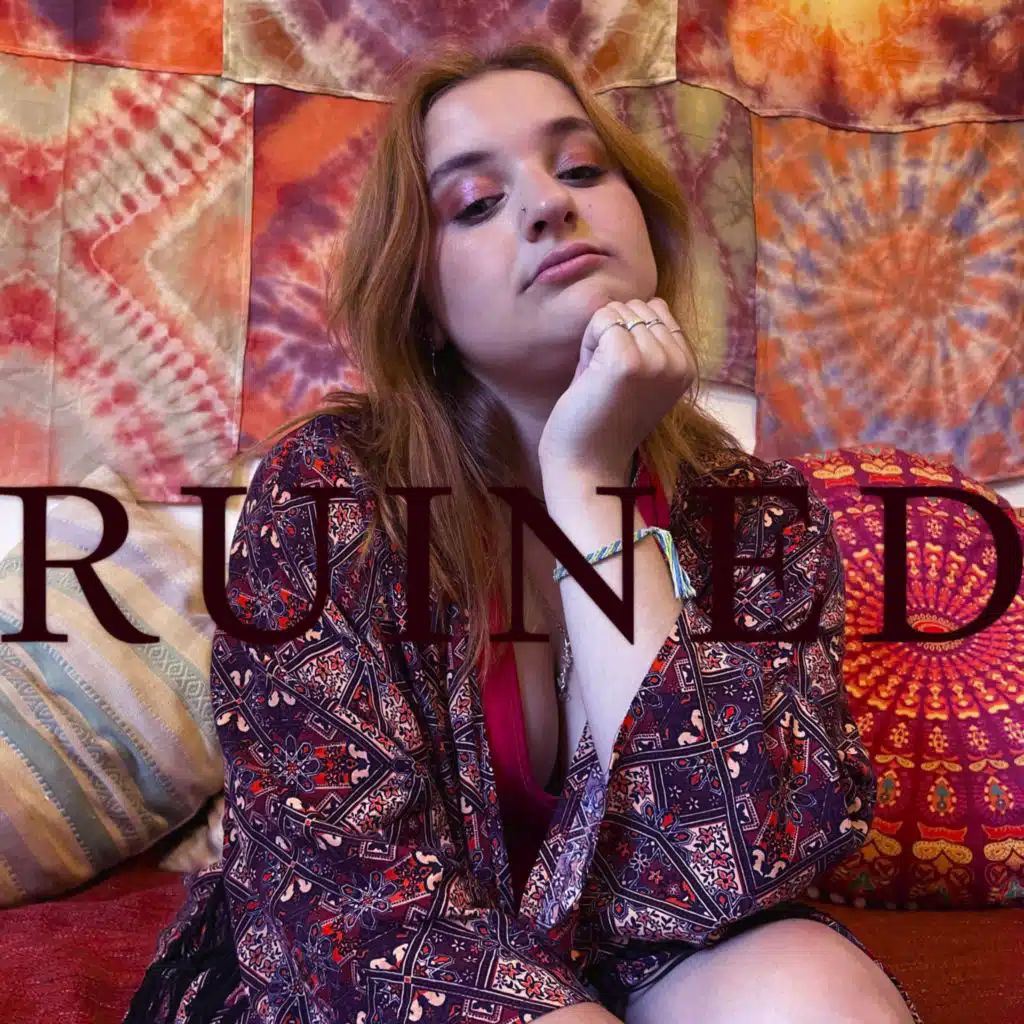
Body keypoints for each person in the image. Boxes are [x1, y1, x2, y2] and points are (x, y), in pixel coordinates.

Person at [125, 38, 922, 1024]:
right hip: (363, 977)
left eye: (580, 169)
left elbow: (741, 858)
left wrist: (590, 481)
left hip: (639, 946)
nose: (548, 204)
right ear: (421, 299)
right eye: (475, 203)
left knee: (813, 991)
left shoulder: (753, 512)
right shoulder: (327, 495)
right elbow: (345, 905)